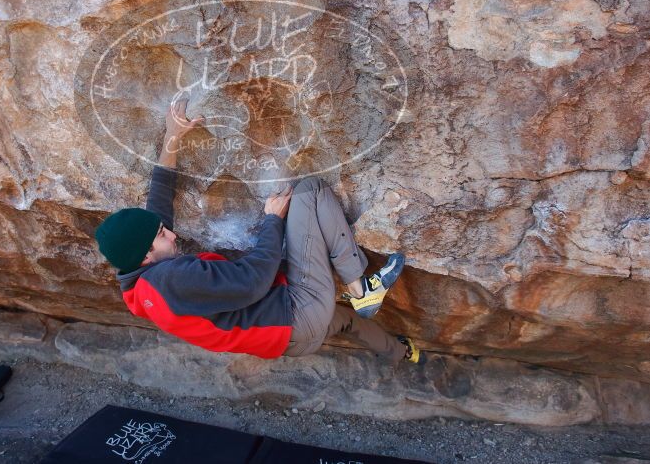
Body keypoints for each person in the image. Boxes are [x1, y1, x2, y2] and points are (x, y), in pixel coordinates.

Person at [95, 99, 425, 364]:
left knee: (349, 320)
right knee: (310, 190)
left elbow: (159, 201)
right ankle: (361, 288)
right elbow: (252, 282)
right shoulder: (171, 279)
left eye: (163, 229)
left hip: (290, 340)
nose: (172, 234)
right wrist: (272, 220)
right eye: (161, 237)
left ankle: (401, 353)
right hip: (297, 313)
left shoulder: (139, 287)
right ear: (147, 255)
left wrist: (173, 136)